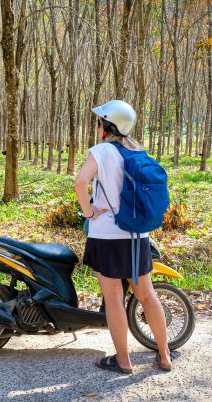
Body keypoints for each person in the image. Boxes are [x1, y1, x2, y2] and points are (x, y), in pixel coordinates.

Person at [74, 100, 172, 374]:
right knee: (147, 295)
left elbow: (81, 182)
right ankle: (164, 355)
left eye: (99, 121)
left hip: (106, 236)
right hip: (137, 234)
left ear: (106, 126)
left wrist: (89, 212)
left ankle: (123, 360)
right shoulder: (137, 150)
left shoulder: (101, 151)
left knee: (114, 297)